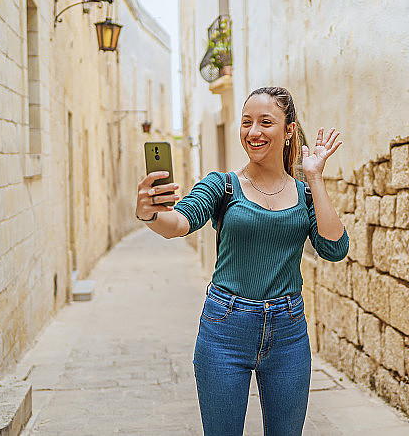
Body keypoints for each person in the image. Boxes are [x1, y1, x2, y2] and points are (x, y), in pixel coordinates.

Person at [135, 86, 349, 436]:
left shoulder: (305, 193)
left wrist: (314, 176)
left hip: (288, 332)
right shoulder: (222, 186)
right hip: (225, 329)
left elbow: (334, 248)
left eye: (266, 122)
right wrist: (151, 214)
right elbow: (179, 223)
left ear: (289, 130)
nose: (253, 132)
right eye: (247, 122)